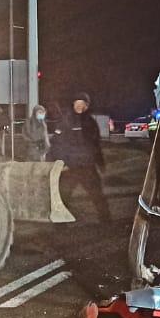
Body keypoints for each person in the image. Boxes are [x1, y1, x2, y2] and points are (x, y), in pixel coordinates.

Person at [56, 92, 112, 223]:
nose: (80, 107)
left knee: (97, 194)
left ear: (87, 106)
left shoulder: (90, 122)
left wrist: (100, 162)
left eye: (83, 104)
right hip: (71, 167)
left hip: (88, 166)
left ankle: (106, 221)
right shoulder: (66, 121)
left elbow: (96, 144)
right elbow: (58, 143)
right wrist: (60, 161)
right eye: (77, 103)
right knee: (63, 195)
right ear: (73, 104)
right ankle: (59, 223)